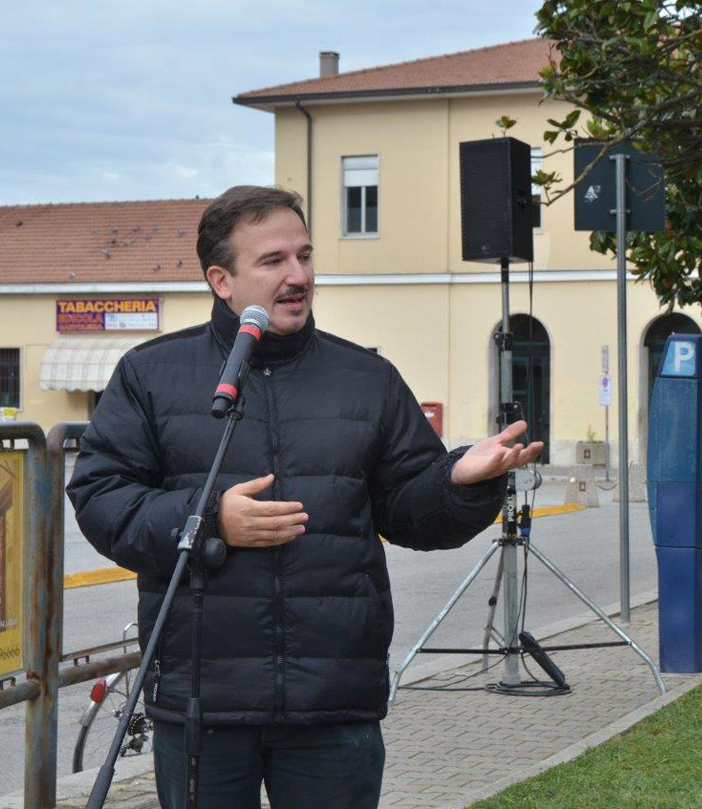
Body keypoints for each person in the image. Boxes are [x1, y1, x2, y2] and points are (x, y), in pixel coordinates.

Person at [67, 185, 542, 809]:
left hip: (333, 699)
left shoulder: (367, 379)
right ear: (221, 281)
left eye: (305, 255)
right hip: (202, 698)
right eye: (273, 261)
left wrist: (458, 481)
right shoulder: (150, 374)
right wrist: (209, 520)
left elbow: (409, 511)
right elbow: (102, 496)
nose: (299, 276)